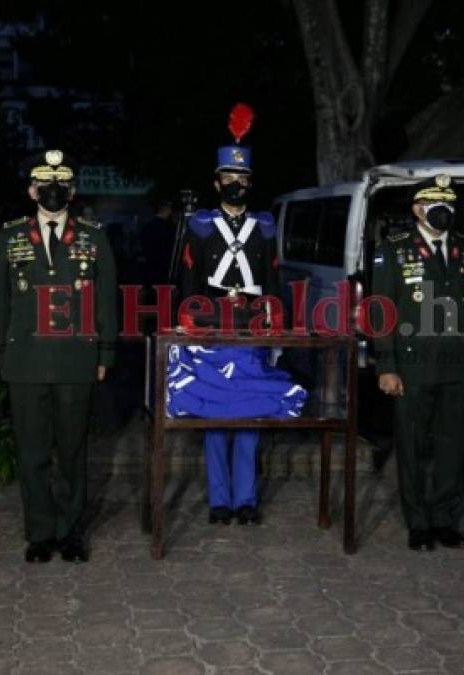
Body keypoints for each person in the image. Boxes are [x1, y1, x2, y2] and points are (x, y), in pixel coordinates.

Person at [0, 149, 118, 563]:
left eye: (60, 186)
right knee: (32, 452)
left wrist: (105, 352)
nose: (52, 192)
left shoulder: (92, 237)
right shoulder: (10, 237)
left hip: (75, 361)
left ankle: (72, 533)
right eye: (44, 186)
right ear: (31, 191)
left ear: (73, 191)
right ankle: (40, 533)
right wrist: (0, 352)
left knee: (72, 451)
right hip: (25, 360)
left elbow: (106, 302)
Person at [372, 174, 464, 551]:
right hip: (412, 366)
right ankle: (418, 523)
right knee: (411, 447)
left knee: (453, 447)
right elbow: (382, 313)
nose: (443, 211)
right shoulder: (394, 250)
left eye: (449, 204)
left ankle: (444, 520)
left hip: (458, 366)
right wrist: (386, 366)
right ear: (417, 210)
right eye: (434, 204)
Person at [177, 106, 281, 526]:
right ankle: (220, 500)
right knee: (216, 414)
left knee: (251, 413)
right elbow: (188, 281)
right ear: (216, 181)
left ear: (250, 183)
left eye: (243, 180)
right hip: (211, 324)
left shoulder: (265, 226)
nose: (236, 185)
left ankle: (247, 500)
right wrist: (190, 327)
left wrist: (276, 327)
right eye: (229, 178)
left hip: (253, 323)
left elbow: (274, 281)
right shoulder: (200, 226)